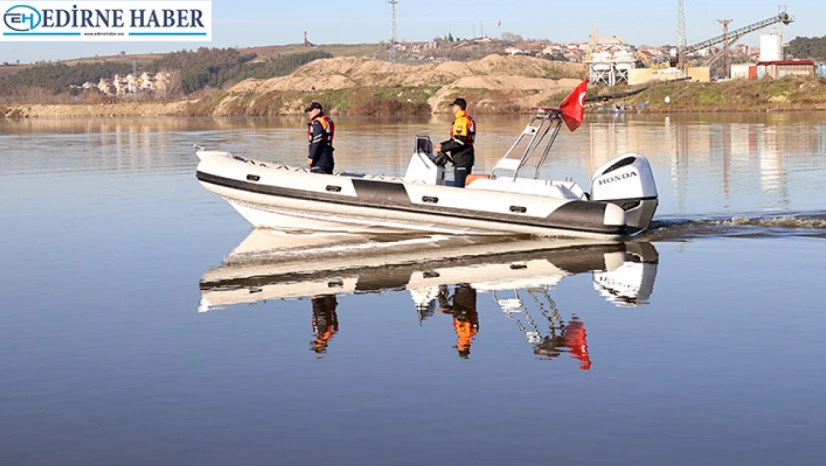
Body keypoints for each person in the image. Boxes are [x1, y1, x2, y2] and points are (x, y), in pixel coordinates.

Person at [434, 98, 476, 188]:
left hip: (462, 158)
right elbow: (454, 140)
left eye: (453, 106)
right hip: (465, 157)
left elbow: (459, 142)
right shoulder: (465, 119)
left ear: (458, 107)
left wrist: (443, 148)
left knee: (459, 186)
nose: (452, 108)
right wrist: (442, 145)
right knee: (462, 184)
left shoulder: (461, 121)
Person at [437, 284, 479, 359]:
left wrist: (447, 309)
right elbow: (463, 313)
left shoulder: (469, 333)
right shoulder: (466, 333)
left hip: (464, 296)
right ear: (463, 345)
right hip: (465, 295)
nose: (457, 343)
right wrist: (446, 311)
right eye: (458, 345)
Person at [305, 102, 335, 174]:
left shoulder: (317, 122)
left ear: (318, 110)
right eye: (308, 111)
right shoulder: (327, 120)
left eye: (311, 110)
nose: (309, 113)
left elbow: (317, 140)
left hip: (320, 158)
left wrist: (311, 157)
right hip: (328, 157)